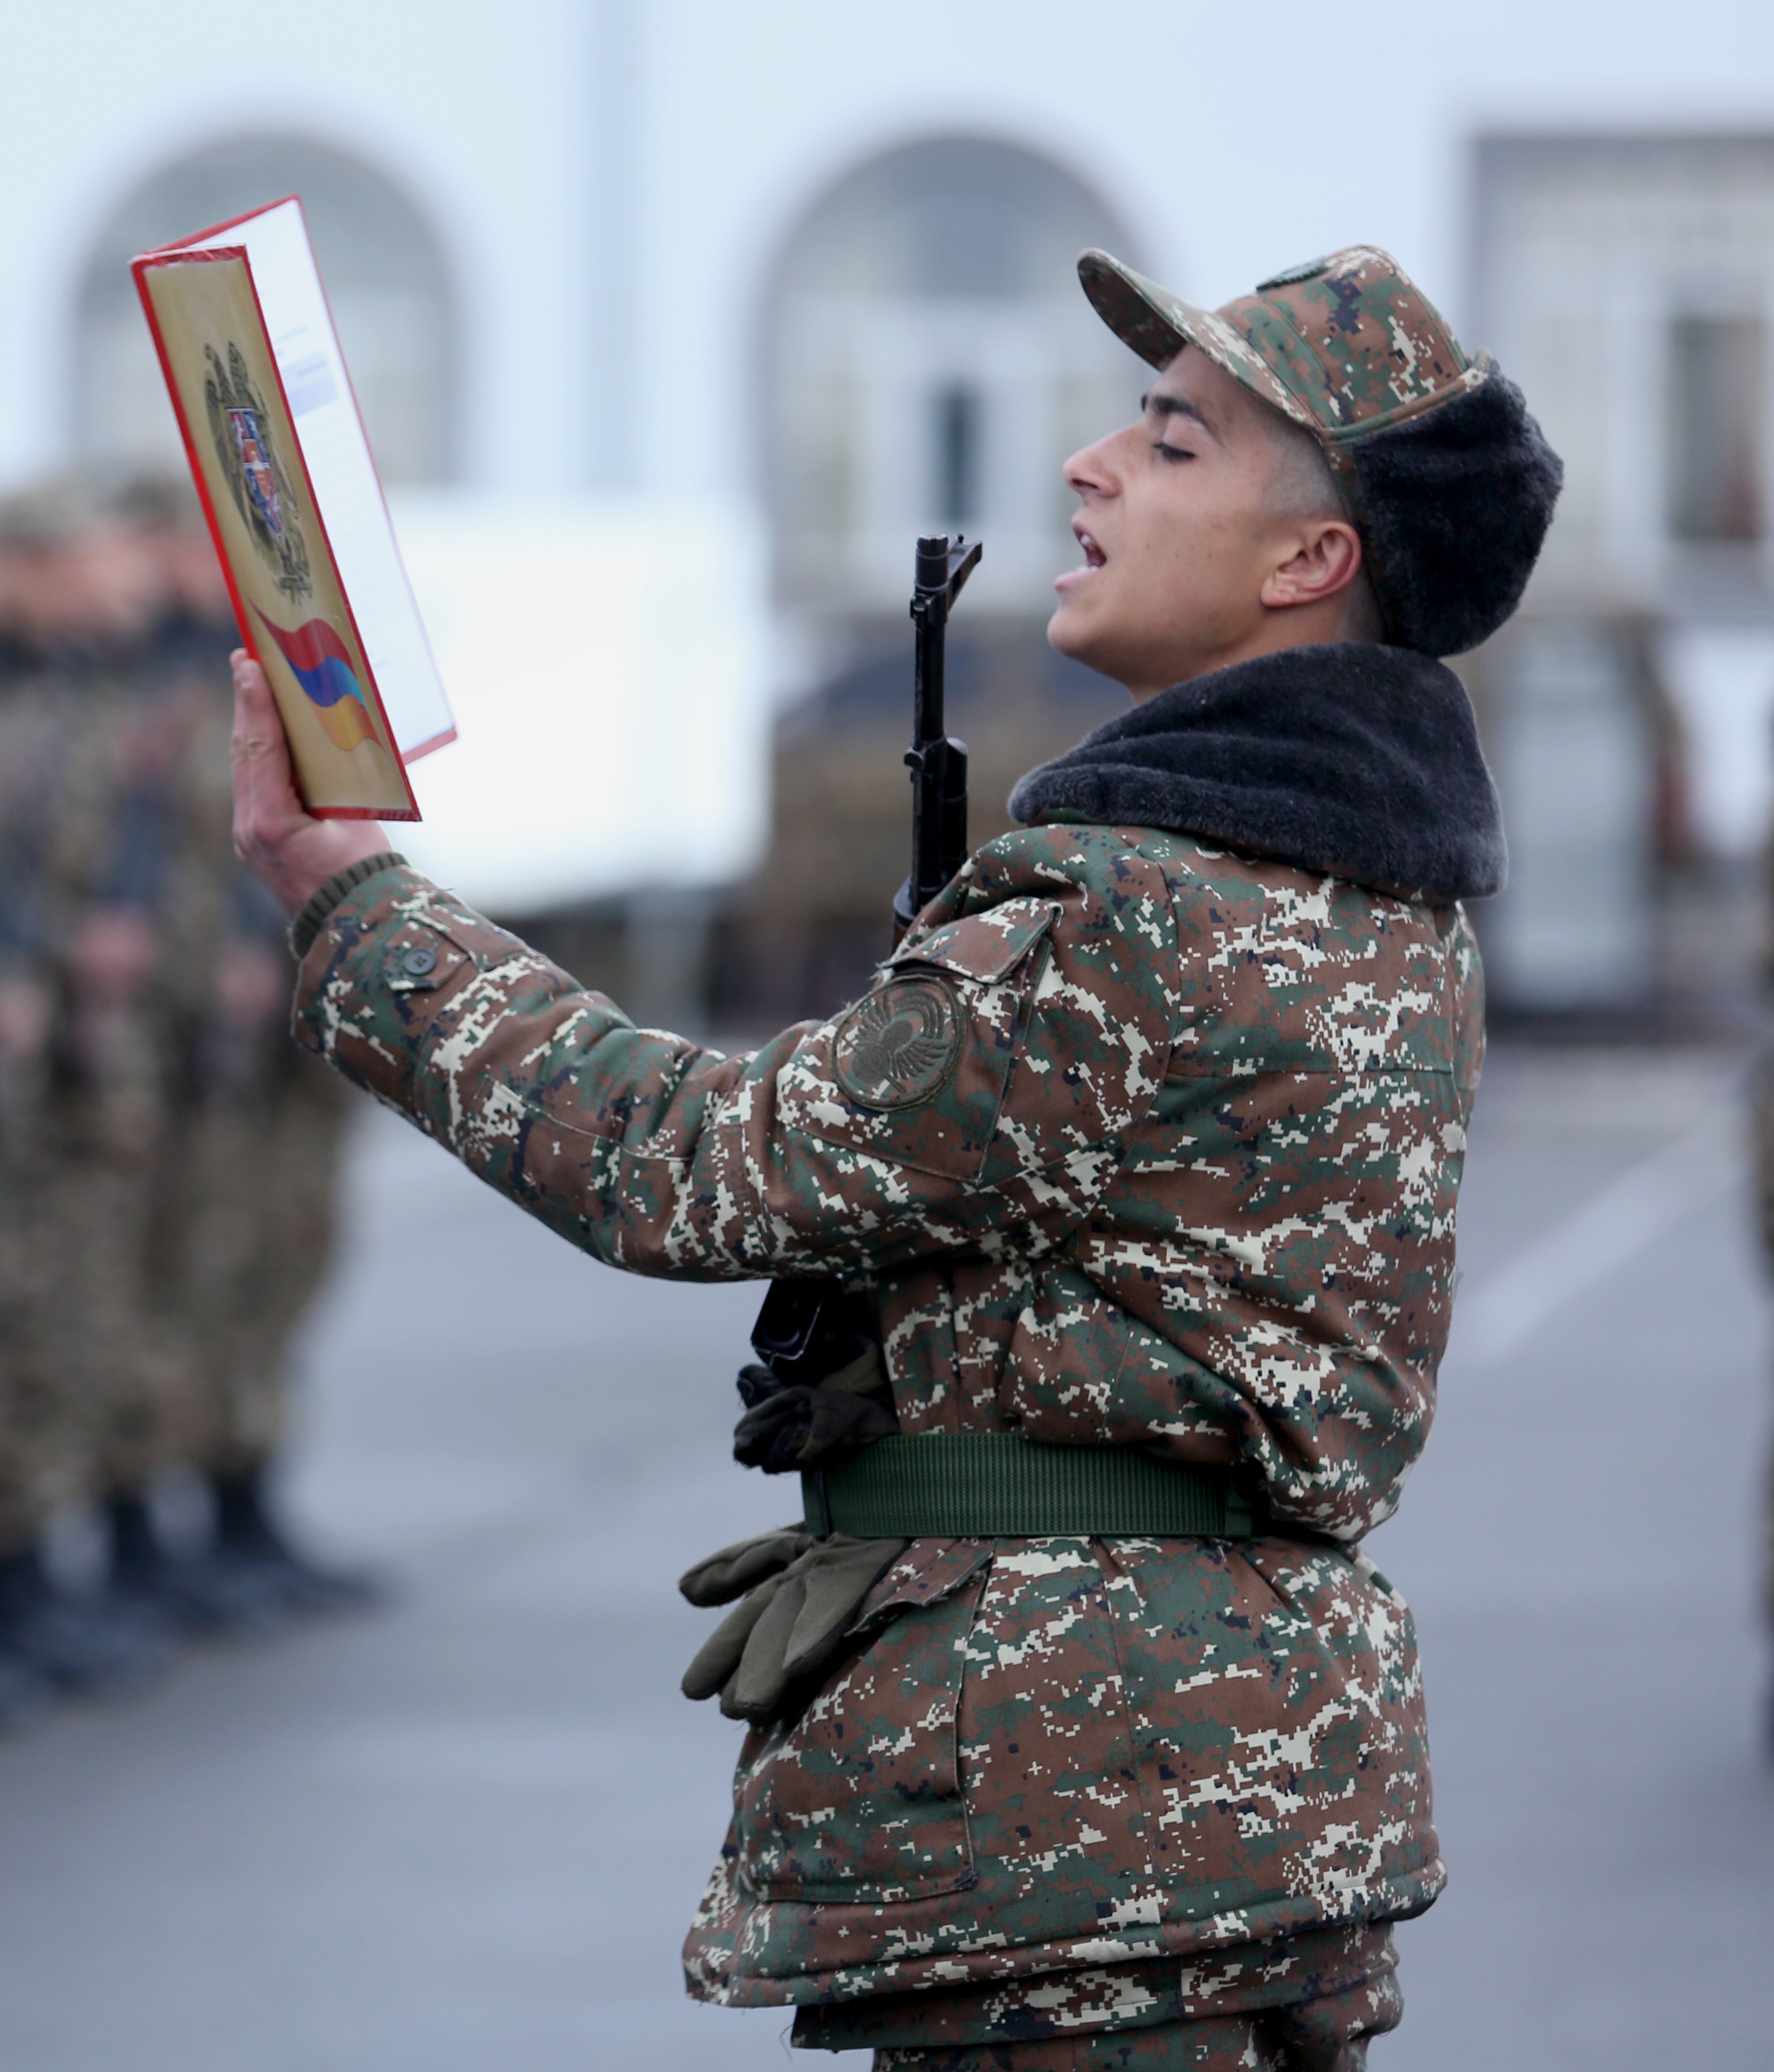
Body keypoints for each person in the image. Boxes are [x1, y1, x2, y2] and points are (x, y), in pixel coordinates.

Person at [227, 246, 1561, 2069]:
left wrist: (347, 902)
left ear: (1308, 561)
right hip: (1234, 1796)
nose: (1092, 466)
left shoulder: (1132, 907)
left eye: (1173, 445)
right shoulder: (1375, 890)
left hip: (1076, 1829)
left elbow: (684, 1161)